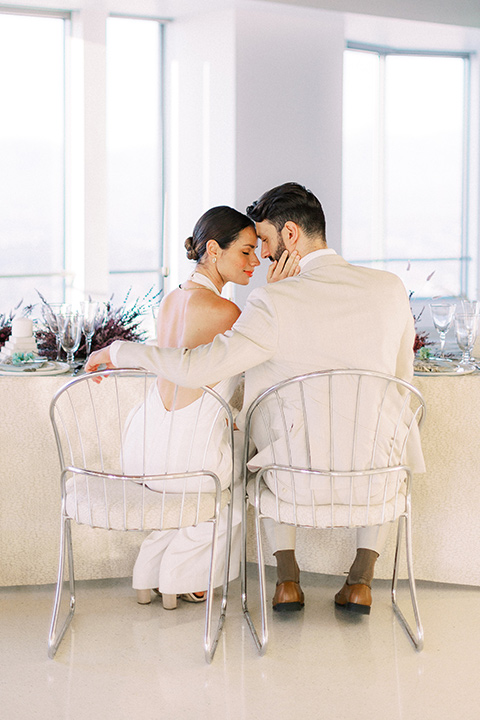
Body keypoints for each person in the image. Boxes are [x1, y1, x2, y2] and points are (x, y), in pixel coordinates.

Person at [86, 182, 424, 615]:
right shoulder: (390, 287)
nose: (261, 256)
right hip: (381, 478)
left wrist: (118, 350)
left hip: (297, 480)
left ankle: (287, 580)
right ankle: (360, 580)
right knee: (383, 429)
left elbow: (197, 365)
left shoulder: (272, 301)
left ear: (290, 237)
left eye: (263, 240)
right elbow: (402, 383)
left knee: (261, 446)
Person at [119, 205, 300, 610]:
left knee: (210, 479)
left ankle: (151, 573)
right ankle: (186, 577)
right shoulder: (227, 312)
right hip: (186, 458)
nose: (256, 262)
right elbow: (267, 361)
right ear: (214, 250)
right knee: (241, 485)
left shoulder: (171, 300)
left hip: (144, 444)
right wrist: (279, 295)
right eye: (247, 252)